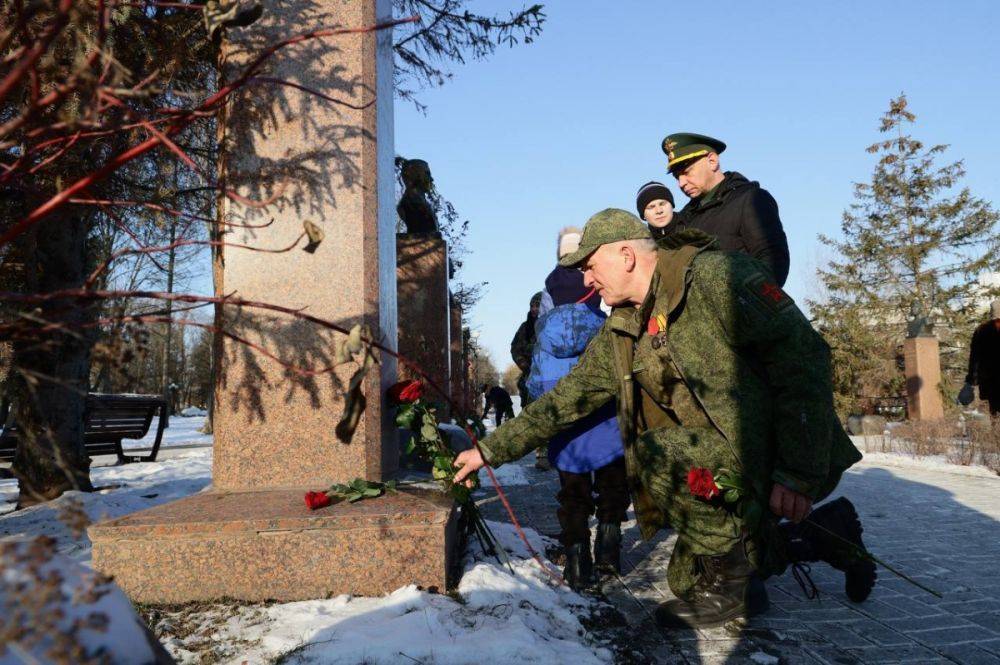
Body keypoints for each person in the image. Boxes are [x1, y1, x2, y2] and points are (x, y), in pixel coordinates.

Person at [455, 209, 875, 629]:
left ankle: (734, 590)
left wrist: (797, 472)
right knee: (685, 579)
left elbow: (804, 358)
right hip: (719, 460)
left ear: (625, 255)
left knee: (656, 452)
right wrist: (488, 450)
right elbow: (567, 398)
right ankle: (826, 534)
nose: (586, 280)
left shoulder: (716, 276)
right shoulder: (624, 326)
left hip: (775, 452)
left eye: (590, 266)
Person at [525, 243, 629, 589]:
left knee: (573, 496)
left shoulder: (544, 338)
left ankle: (577, 563)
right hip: (608, 426)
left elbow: (536, 387)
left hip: (566, 433)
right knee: (613, 487)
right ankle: (609, 551)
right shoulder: (609, 328)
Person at [661, 133, 790, 286]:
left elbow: (772, 263)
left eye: (687, 172)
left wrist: (746, 305)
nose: (681, 183)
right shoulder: (684, 218)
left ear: (712, 161)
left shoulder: (750, 200)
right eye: (677, 177)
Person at [511, 291, 549, 470]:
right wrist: (524, 364)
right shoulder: (525, 328)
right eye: (532, 306)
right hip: (530, 378)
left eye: (537, 305)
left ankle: (551, 452)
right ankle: (541, 454)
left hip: (550, 376)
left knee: (550, 413)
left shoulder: (552, 324)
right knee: (535, 415)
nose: (534, 309)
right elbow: (515, 348)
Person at [962, 299, 1000, 416]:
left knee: (994, 412)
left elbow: (974, 359)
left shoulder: (980, 330)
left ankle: (994, 433)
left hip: (989, 381)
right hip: (990, 380)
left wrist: (971, 381)